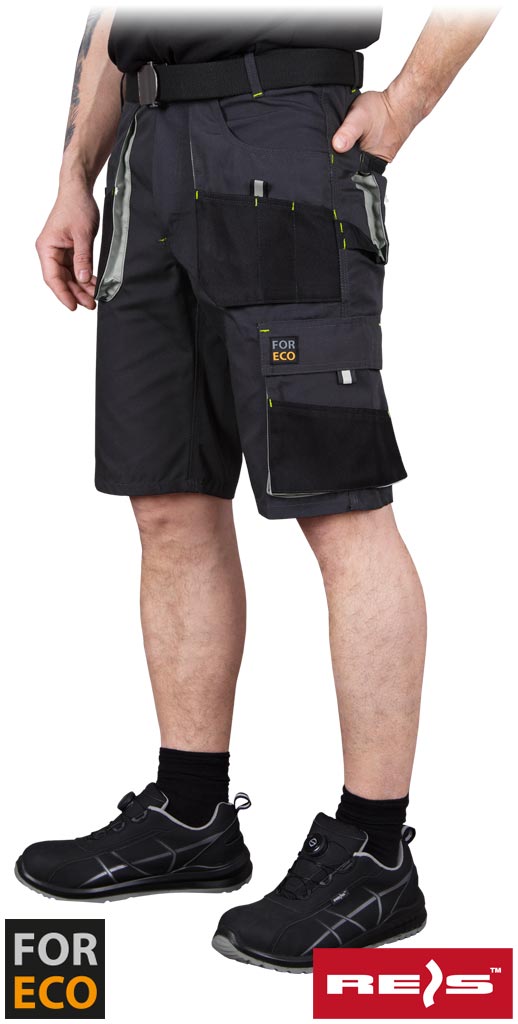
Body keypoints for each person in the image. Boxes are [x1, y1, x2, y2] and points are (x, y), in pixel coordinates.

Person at [16, 6, 497, 971]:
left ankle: (375, 851)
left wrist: (405, 102)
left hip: (282, 131)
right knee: (168, 500)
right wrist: (75, 172)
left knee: (340, 505)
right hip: (148, 150)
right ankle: (191, 813)